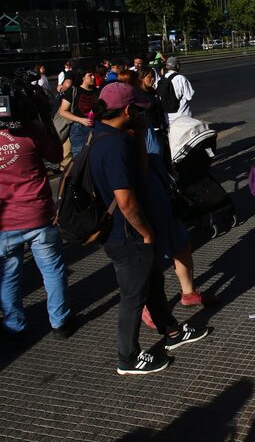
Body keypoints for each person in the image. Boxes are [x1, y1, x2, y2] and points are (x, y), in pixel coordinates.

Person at [88, 82, 209, 375]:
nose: (142, 115)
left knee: (152, 282)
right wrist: (145, 232)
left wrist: (140, 137)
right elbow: (125, 200)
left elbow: (139, 173)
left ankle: (172, 332)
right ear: (127, 109)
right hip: (127, 235)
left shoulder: (107, 135)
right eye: (138, 110)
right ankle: (127, 358)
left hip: (128, 233)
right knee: (133, 296)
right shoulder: (113, 145)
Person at [0, 83, 77, 341]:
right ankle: (61, 322)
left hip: (4, 221)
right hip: (37, 215)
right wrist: (43, 117)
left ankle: (14, 326)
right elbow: (56, 155)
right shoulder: (30, 131)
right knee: (52, 271)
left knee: (9, 275)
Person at [58, 68, 99, 156]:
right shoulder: (73, 90)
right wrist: (81, 120)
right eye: (90, 75)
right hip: (78, 129)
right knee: (80, 157)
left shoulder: (97, 92)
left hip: (96, 127)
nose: (93, 77)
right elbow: (63, 111)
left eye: (94, 75)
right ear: (83, 77)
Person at [162, 57, 195, 124]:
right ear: (177, 66)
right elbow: (189, 96)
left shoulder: (162, 79)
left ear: (166, 66)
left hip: (167, 117)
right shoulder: (180, 78)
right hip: (182, 115)